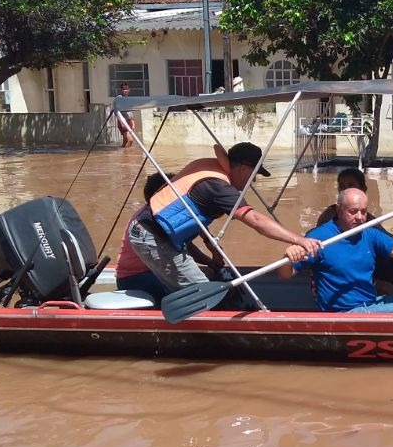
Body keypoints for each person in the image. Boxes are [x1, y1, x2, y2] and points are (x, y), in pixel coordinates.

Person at [129, 142, 319, 297]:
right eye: (254, 175)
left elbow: (191, 214)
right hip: (151, 235)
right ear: (244, 169)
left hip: (152, 229)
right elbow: (256, 220)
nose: (252, 181)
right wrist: (299, 240)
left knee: (189, 288)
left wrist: (212, 250)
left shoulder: (208, 166)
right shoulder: (219, 186)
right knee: (204, 295)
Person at [280, 188, 393, 314]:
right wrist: (289, 256)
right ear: (339, 211)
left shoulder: (369, 232)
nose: (360, 217)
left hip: (370, 304)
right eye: (353, 212)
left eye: (363, 211)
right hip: (343, 313)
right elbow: (285, 273)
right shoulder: (319, 237)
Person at [115, 173, 221, 302]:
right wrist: (209, 262)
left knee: (210, 278)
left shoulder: (158, 213)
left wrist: (211, 257)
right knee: (205, 292)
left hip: (149, 271)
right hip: (136, 278)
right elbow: (186, 248)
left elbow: (195, 227)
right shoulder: (155, 220)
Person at [315, 167, 393, 295]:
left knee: (390, 267)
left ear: (363, 190)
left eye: (351, 185)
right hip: (345, 273)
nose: (345, 190)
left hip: (366, 267)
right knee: (388, 285)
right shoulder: (329, 216)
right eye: (342, 186)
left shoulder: (367, 220)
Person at [112, 82, 136, 148]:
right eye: (124, 89)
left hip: (129, 121)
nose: (125, 91)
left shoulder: (129, 99)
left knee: (125, 141)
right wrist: (122, 122)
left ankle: (124, 154)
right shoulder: (119, 98)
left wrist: (133, 123)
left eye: (127, 89)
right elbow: (115, 109)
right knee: (130, 140)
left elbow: (130, 113)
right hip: (123, 122)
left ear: (129, 90)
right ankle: (128, 156)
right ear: (121, 90)